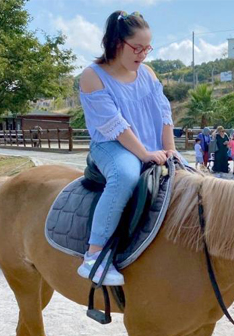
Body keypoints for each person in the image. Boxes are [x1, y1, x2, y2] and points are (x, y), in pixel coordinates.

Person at [77, 10, 176, 285]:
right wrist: (144, 154)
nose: (143, 54)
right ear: (117, 42)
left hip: (152, 144)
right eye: (137, 48)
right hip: (112, 145)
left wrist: (170, 150)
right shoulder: (92, 76)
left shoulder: (148, 73)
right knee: (126, 176)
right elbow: (116, 126)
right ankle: (94, 255)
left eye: (147, 48)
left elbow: (164, 113)